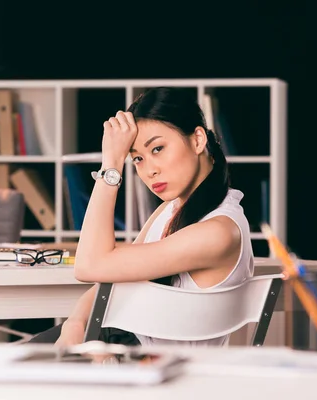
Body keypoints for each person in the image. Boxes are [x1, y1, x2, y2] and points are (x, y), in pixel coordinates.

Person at [29, 87, 254, 347]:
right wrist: (75, 323)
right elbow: (111, 279)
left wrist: (111, 165)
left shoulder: (219, 231)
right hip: (113, 345)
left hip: (143, 364)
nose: (149, 171)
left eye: (157, 149)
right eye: (137, 158)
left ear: (198, 140)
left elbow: (89, 266)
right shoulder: (169, 211)